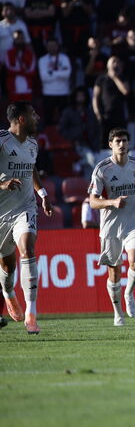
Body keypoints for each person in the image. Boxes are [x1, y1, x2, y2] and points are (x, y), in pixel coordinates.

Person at [0, 102, 53, 334]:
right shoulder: (2, 141)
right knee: (7, 266)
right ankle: (8, 292)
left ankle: (31, 315)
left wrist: (43, 194)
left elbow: (31, 168)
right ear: (21, 119)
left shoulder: (32, 144)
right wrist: (2, 183)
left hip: (25, 207)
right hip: (2, 212)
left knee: (28, 248)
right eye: (32, 114)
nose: (37, 117)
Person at [88, 128, 135, 326]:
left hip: (133, 222)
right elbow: (93, 201)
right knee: (114, 273)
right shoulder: (102, 169)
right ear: (110, 145)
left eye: (124, 141)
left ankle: (129, 293)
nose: (122, 144)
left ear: (129, 143)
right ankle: (117, 312)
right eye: (118, 141)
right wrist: (112, 202)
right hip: (111, 226)